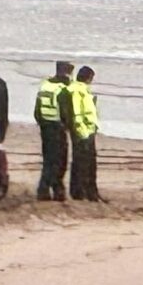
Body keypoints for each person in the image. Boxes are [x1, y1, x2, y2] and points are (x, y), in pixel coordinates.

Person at [34, 61, 74, 201]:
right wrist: (68, 126)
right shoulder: (62, 89)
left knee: (48, 159)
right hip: (57, 128)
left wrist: (41, 123)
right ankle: (52, 189)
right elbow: (65, 111)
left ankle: (47, 189)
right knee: (59, 161)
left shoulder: (45, 85)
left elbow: (37, 109)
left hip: (45, 127)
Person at [67, 66, 103, 202]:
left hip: (85, 130)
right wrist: (82, 131)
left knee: (80, 162)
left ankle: (82, 191)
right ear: (88, 78)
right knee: (85, 163)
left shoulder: (78, 89)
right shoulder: (79, 91)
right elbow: (77, 112)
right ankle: (83, 192)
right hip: (83, 131)